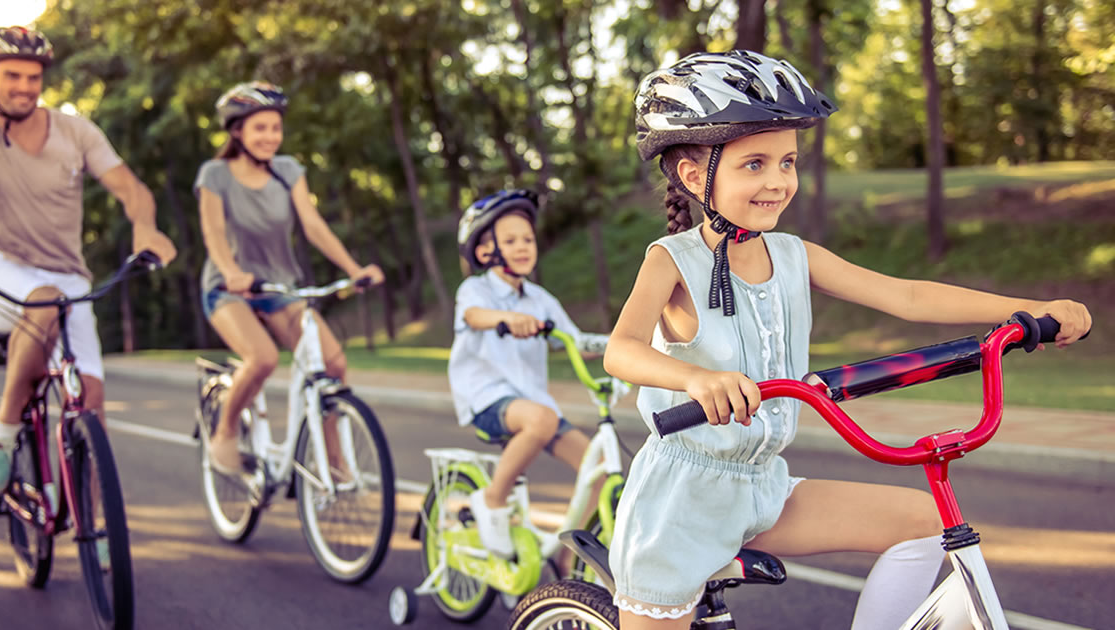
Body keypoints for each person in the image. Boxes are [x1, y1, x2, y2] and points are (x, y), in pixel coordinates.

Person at [603, 50, 1092, 630]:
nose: (779, 181)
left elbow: (906, 296)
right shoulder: (672, 262)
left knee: (926, 521)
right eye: (754, 164)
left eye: (788, 162)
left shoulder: (793, 254)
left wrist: (1028, 311)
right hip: (679, 502)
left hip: (763, 489)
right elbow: (622, 350)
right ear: (692, 176)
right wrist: (696, 378)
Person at [0, 26, 177, 496]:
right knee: (44, 301)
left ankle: (90, 523)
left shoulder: (75, 130)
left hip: (68, 275)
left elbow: (130, 189)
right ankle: (2, 431)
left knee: (91, 404)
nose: (24, 87)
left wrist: (145, 226)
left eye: (33, 77)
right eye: (12, 75)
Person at [196, 81, 383, 474]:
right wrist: (231, 272)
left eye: (275, 128)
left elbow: (313, 225)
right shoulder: (216, 175)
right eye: (260, 128)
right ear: (237, 131)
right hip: (228, 289)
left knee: (333, 364)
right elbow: (213, 233)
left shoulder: (288, 171)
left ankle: (333, 462)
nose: (270, 137)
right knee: (261, 358)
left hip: (280, 287)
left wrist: (354, 271)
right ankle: (225, 433)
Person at [449, 189, 608, 559]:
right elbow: (474, 316)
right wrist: (506, 319)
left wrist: (629, 341)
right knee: (542, 419)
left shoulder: (540, 299)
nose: (523, 246)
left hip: (536, 406)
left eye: (528, 239)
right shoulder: (475, 290)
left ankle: (571, 558)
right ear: (486, 251)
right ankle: (491, 500)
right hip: (487, 398)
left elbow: (577, 341)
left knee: (598, 470)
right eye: (510, 240)